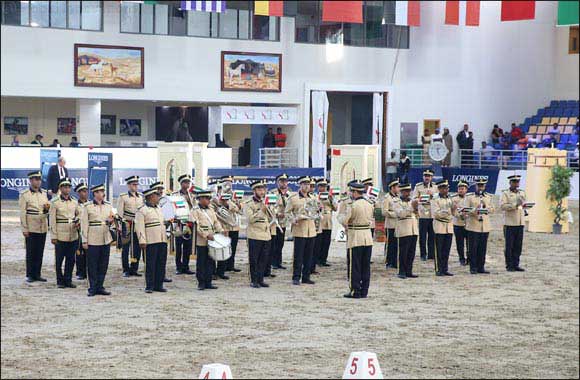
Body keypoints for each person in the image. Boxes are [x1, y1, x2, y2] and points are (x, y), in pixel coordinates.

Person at [339, 181, 374, 299]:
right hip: (367, 236)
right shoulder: (369, 203)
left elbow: (345, 220)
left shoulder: (353, 205)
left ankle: (355, 290)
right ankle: (364, 290)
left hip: (355, 236)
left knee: (355, 266)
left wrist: (341, 218)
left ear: (354, 192)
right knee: (365, 266)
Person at [81, 184, 114, 296]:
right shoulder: (87, 206)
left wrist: (111, 221)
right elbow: (84, 224)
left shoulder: (108, 206)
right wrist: (84, 240)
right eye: (99, 192)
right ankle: (93, 287)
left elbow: (111, 220)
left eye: (103, 191)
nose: (102, 194)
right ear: (95, 193)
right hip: (93, 237)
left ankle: (100, 285)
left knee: (103, 263)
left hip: (105, 237)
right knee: (92, 264)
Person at [135, 187, 168, 293]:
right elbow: (139, 227)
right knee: (150, 264)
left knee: (161, 263)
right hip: (150, 240)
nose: (158, 197)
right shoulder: (142, 210)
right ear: (150, 197)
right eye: (156, 195)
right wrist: (142, 240)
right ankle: (150, 285)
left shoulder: (159, 208)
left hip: (162, 239)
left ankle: (159, 284)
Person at [49, 178, 81, 288]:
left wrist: (78, 220)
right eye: (64, 187)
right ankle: (59, 280)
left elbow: (79, 214)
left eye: (68, 187)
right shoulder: (54, 202)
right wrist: (53, 235)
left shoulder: (74, 201)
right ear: (60, 188)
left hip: (72, 234)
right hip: (60, 233)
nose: (67, 189)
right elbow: (52, 220)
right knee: (59, 259)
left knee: (71, 259)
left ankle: (68, 279)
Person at [285, 176, 317, 286]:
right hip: (299, 229)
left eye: (308, 184)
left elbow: (315, 211)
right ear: (300, 185)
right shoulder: (293, 198)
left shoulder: (312, 198)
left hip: (311, 229)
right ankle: (296, 276)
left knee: (309, 255)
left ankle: (306, 276)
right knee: (298, 255)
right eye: (304, 184)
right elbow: (287, 212)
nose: (307, 186)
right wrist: (294, 219)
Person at [19, 170, 50, 283]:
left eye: (39, 179)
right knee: (31, 251)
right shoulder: (25, 195)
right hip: (31, 226)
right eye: (36, 179)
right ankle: (30, 274)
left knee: (39, 251)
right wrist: (24, 228)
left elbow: (46, 209)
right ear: (31, 180)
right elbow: (23, 213)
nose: (38, 182)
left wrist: (47, 210)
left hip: (42, 225)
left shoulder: (44, 193)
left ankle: (37, 273)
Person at [191, 188, 223, 291]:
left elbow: (216, 221)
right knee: (201, 262)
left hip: (212, 238)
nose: (208, 200)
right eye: (205, 198)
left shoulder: (211, 209)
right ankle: (201, 282)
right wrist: (206, 235)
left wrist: (220, 230)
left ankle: (209, 281)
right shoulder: (195, 211)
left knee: (211, 262)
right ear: (200, 199)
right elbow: (196, 226)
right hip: (202, 240)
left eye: (209, 198)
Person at [245, 180, 273, 288]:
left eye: (263, 189)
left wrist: (270, 208)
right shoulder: (249, 204)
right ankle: (254, 280)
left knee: (264, 259)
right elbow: (250, 219)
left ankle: (261, 279)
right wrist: (261, 210)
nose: (262, 192)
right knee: (254, 259)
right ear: (254, 190)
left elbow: (271, 217)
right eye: (259, 189)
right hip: (254, 234)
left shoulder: (265, 202)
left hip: (266, 234)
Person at [465, 179, 494, 275]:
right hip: (473, 225)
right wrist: (475, 210)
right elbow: (466, 210)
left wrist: (487, 208)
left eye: (482, 185)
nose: (480, 187)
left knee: (482, 247)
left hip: (484, 226)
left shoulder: (488, 196)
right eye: (479, 185)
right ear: (476, 186)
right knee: (473, 248)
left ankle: (481, 266)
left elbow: (493, 208)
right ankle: (473, 267)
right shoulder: (469, 197)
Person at [500, 175, 529, 272]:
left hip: (520, 222)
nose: (516, 184)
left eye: (517, 182)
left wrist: (526, 206)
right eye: (514, 182)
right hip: (509, 222)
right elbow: (503, 206)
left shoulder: (522, 192)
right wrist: (514, 205)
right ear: (510, 183)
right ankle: (509, 265)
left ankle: (516, 264)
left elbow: (524, 204)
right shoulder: (505, 193)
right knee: (509, 246)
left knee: (518, 245)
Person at [117, 175, 144, 278]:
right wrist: (120, 225)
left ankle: (134, 268)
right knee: (126, 248)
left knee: (137, 247)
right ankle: (125, 269)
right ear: (128, 185)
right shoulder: (123, 196)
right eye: (133, 184)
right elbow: (120, 212)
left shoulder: (141, 196)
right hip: (127, 224)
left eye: (137, 184)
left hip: (137, 224)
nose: (135, 186)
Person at [171, 174, 195, 275]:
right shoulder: (175, 195)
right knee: (178, 246)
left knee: (187, 246)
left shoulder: (192, 195)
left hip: (189, 222)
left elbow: (194, 208)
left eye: (188, 182)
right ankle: (178, 267)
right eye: (185, 182)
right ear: (181, 184)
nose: (187, 184)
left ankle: (186, 266)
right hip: (179, 223)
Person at [394, 183, 419, 279]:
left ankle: (409, 270)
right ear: (402, 192)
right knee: (403, 252)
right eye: (406, 191)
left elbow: (417, 214)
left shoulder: (411, 201)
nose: (408, 193)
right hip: (403, 229)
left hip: (413, 229)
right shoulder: (396, 202)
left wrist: (416, 209)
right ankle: (401, 271)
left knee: (411, 252)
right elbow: (401, 214)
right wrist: (411, 207)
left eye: (409, 191)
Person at [431, 180, 455, 277]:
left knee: (446, 249)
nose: (446, 190)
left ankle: (445, 268)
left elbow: (454, 212)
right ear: (440, 189)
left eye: (447, 188)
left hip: (449, 226)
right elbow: (436, 214)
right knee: (438, 249)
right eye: (444, 188)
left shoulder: (450, 199)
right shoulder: (435, 199)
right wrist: (449, 211)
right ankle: (438, 268)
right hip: (439, 226)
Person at [312, 178, 336, 271]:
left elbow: (335, 208)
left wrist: (330, 199)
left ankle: (323, 259)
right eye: (321, 186)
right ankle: (317, 259)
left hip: (328, 221)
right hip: (319, 221)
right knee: (318, 241)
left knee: (326, 241)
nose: (323, 188)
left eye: (325, 186)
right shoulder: (314, 196)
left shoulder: (330, 196)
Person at [413, 169, 435, 261]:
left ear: (431, 177)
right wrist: (422, 198)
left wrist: (432, 195)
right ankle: (423, 254)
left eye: (429, 176)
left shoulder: (435, 187)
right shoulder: (418, 186)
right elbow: (414, 198)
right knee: (422, 235)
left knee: (432, 235)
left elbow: (438, 198)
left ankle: (431, 253)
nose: (427, 178)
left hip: (432, 213)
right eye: (426, 176)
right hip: (422, 212)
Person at [270, 173, 291, 270]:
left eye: (285, 181)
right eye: (281, 181)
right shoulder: (272, 193)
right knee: (274, 243)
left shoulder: (289, 194)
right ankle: (273, 262)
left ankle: (279, 262)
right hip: (275, 222)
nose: (284, 183)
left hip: (283, 221)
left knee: (281, 243)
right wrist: (277, 214)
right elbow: (269, 207)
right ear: (277, 182)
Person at [382, 179, 400, 269]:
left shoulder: (398, 197)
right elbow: (384, 212)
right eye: (397, 187)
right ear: (392, 188)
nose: (398, 189)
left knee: (396, 245)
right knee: (390, 244)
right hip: (390, 224)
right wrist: (394, 214)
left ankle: (394, 262)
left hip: (398, 225)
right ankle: (388, 262)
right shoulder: (387, 198)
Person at [452, 181, 470, 266]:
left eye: (462, 189)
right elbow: (453, 212)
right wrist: (460, 215)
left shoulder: (469, 198)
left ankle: (469, 258)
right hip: (458, 224)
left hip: (469, 224)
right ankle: (461, 258)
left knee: (469, 243)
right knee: (460, 243)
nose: (461, 190)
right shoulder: (453, 199)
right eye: (459, 188)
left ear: (466, 189)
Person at [74, 182, 89, 279]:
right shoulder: (74, 204)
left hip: (88, 230)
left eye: (86, 191)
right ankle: (80, 272)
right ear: (79, 193)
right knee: (79, 252)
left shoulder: (90, 203)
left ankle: (88, 270)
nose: (85, 193)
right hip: (78, 230)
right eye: (83, 191)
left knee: (89, 251)